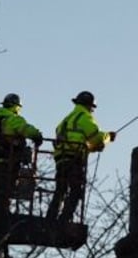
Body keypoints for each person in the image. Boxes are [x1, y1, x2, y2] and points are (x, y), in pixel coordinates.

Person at [47, 91, 115, 223]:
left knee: (60, 190)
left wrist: (91, 147)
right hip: (74, 160)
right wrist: (108, 137)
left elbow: (78, 140)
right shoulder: (85, 117)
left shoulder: (65, 120)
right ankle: (64, 219)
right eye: (92, 108)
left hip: (61, 159)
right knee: (76, 191)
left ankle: (50, 218)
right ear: (90, 106)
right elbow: (97, 137)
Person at [0, 93, 43, 228]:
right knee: (6, 190)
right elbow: (27, 130)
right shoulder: (13, 119)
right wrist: (37, 136)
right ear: (16, 107)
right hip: (8, 161)